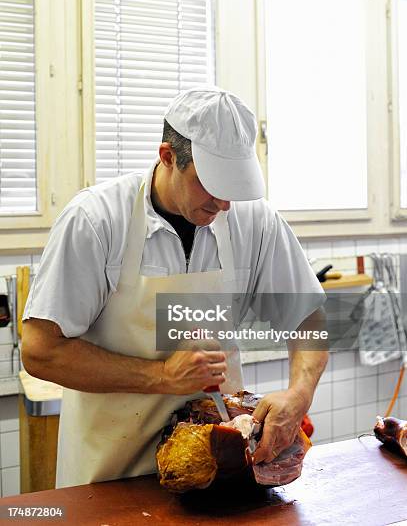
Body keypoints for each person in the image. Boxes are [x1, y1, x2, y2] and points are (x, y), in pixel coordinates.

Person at [22, 87, 328, 488]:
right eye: (209, 183)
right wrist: (163, 376)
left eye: (234, 187)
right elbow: (41, 351)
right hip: (110, 474)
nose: (224, 205)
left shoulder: (255, 221)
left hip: (219, 467)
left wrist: (299, 394)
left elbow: (311, 319)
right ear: (167, 156)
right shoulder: (96, 220)